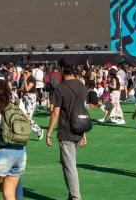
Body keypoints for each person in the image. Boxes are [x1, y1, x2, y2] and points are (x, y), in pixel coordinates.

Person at [46, 65, 88, 200]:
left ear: (63, 71)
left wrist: (48, 133)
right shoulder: (82, 86)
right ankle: (72, 195)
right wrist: (84, 133)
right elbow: (82, 110)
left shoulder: (61, 87)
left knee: (69, 166)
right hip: (78, 128)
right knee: (67, 165)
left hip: (66, 131)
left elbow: (55, 113)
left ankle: (75, 197)